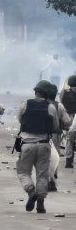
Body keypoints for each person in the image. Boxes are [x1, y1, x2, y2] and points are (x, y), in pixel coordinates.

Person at [16, 80, 59, 214]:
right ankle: (40, 203)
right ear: (46, 94)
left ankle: (31, 191)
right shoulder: (50, 107)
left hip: (27, 144)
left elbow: (20, 119)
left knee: (23, 172)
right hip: (44, 144)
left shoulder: (25, 104)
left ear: (35, 91)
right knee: (42, 174)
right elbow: (55, 126)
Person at [59, 75, 76, 168]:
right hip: (70, 117)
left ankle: (69, 160)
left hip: (68, 118)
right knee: (70, 139)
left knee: (70, 140)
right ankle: (69, 159)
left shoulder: (64, 92)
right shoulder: (68, 94)